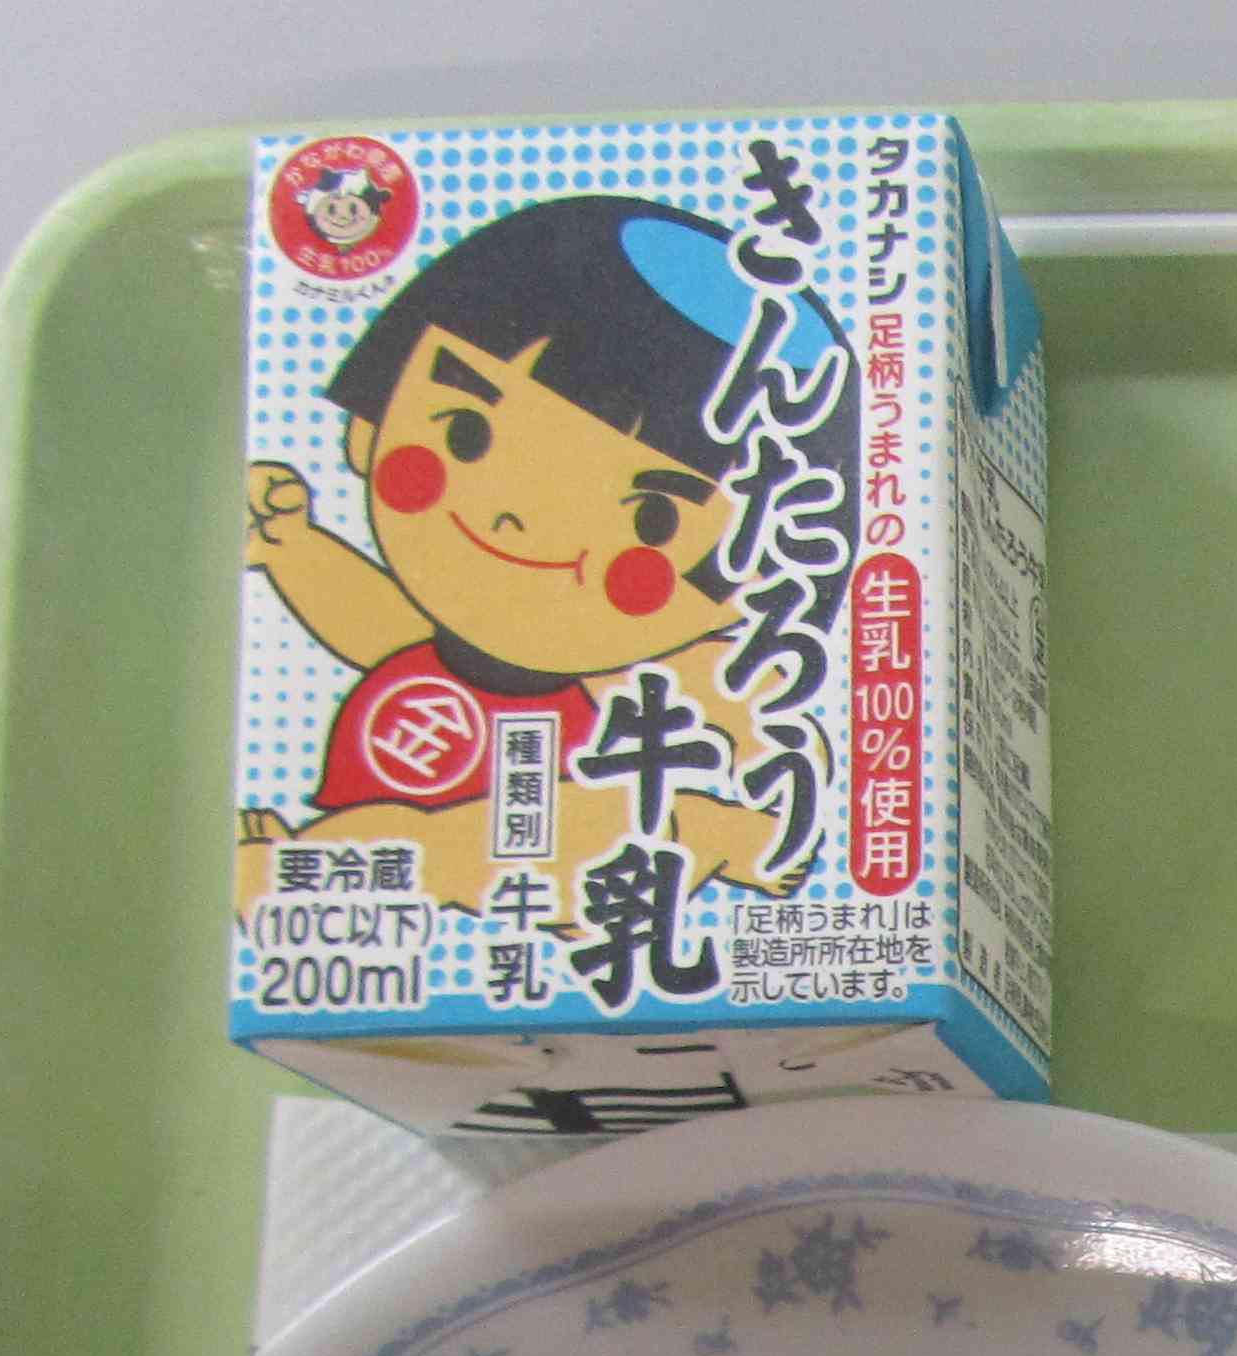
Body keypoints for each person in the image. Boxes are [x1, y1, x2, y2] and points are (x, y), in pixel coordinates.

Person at [238, 193, 843, 922]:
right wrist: (294, 547)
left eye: (651, 519)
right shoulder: (456, 640)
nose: (516, 519)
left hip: (549, 832)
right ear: (368, 428)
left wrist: (755, 773)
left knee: (567, 830)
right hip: (405, 842)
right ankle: (323, 871)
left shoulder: (647, 680)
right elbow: (387, 636)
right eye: (465, 435)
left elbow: (756, 720)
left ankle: (706, 836)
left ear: (739, 593)